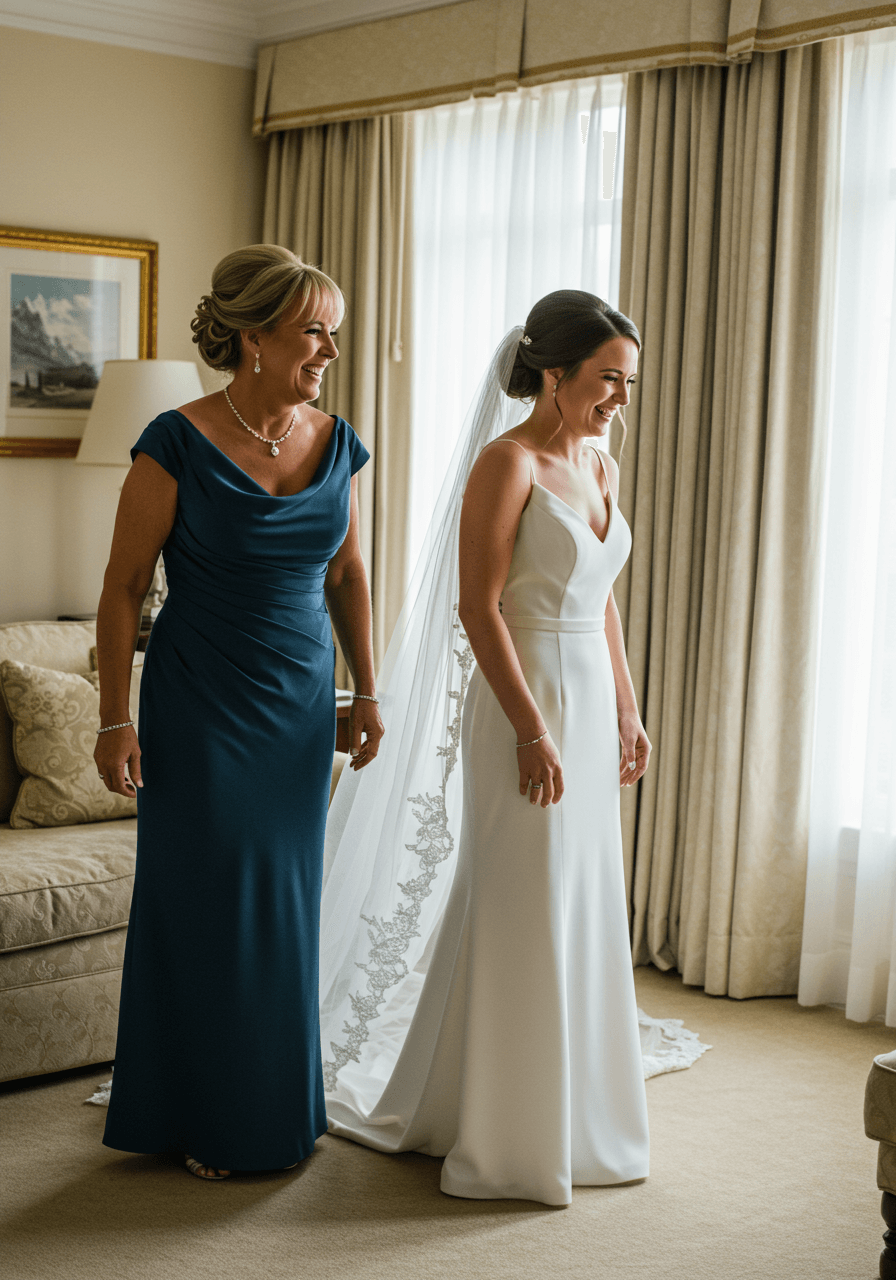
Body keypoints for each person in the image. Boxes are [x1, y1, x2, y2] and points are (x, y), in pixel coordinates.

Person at [320, 290, 652, 1206]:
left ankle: (571, 1108)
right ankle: (504, 1128)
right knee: (522, 896)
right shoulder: (505, 464)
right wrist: (531, 730)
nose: (620, 396)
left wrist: (626, 708)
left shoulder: (600, 462)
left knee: (580, 896)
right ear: (554, 373)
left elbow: (603, 595)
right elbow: (479, 607)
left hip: (587, 697)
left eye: (627, 381)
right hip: (524, 695)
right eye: (607, 379)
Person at [97, 244, 383, 1180]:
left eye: (334, 332)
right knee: (210, 904)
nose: (329, 349)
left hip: (298, 700)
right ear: (254, 337)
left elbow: (346, 572)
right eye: (313, 331)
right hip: (200, 700)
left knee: (283, 906)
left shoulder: (336, 440)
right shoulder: (172, 440)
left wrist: (366, 690)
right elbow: (123, 587)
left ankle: (269, 1105)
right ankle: (198, 1112)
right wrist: (113, 717)